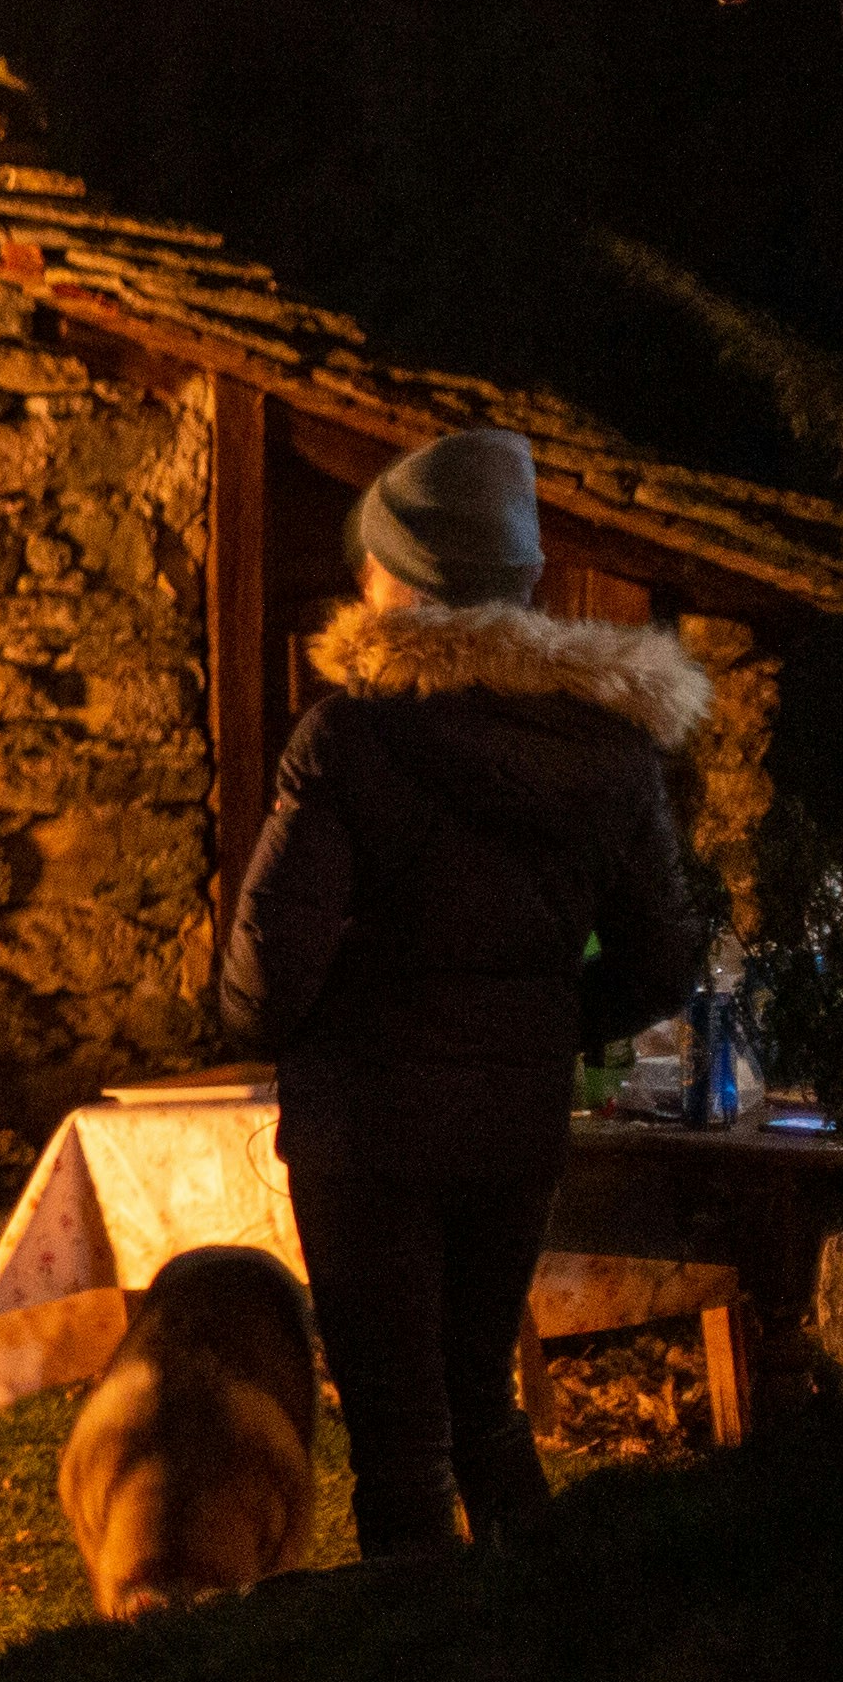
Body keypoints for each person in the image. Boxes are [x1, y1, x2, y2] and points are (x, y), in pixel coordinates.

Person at [221, 427, 709, 1561]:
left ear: (403, 580)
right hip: (511, 1127)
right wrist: (536, 1024)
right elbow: (662, 955)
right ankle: (536, 1657)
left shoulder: (349, 737)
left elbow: (261, 984)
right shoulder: (610, 748)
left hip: (367, 1129)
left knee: (400, 1438)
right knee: (481, 1402)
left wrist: (339, 1019)